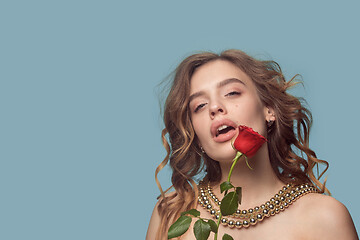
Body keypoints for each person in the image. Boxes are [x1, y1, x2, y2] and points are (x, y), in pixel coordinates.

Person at [146, 49, 358, 240]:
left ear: (269, 110)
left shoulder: (325, 218)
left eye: (231, 93)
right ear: (195, 134)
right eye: (199, 106)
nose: (215, 107)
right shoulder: (171, 213)